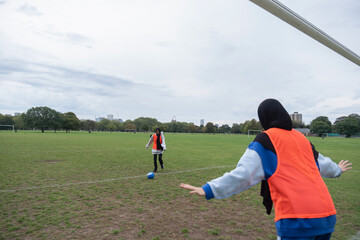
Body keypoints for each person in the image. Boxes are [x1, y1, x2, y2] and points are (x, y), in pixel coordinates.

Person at [180, 99, 352, 240]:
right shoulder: (301, 138)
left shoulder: (266, 140)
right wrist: (337, 169)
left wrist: (209, 189)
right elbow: (322, 163)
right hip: (327, 215)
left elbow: (243, 174)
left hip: (297, 220)